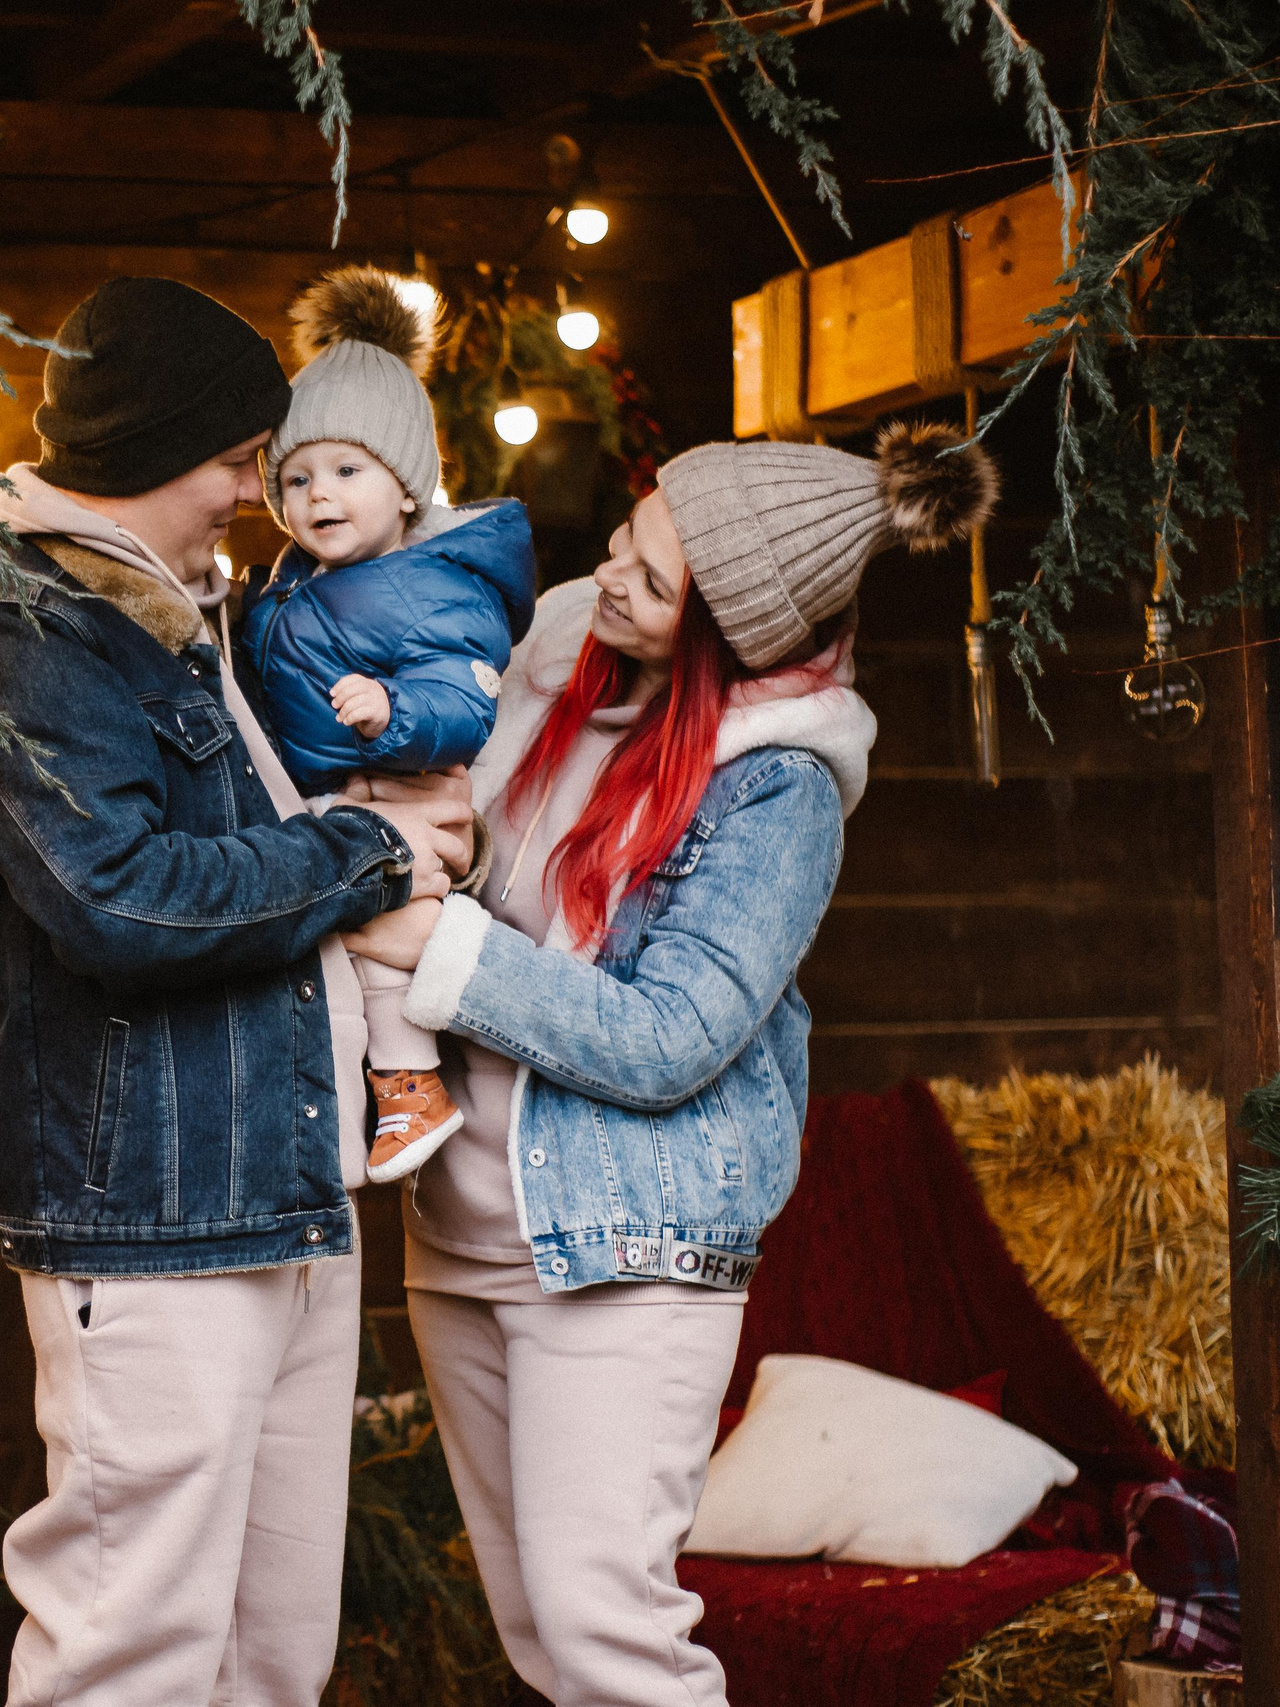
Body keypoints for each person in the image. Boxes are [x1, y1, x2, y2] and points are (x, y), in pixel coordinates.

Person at [343, 420, 998, 1707]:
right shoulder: (562, 647)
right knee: (539, 1635)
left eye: (651, 578)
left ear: (727, 638)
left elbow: (674, 1037)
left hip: (623, 1247)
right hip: (464, 1236)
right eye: (627, 536)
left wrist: (440, 943)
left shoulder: (778, 790)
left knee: (610, 1637)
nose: (611, 575)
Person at [0, 275, 476, 1707]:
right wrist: (371, 848)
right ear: (161, 449)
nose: (254, 487)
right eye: (238, 455)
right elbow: (122, 897)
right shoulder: (20, 625)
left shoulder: (181, 616)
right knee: (131, 1644)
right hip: (155, 1212)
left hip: (279, 1189)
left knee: (270, 1649)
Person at [241, 266, 535, 1184]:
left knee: (387, 934)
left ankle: (412, 1085)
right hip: (340, 791)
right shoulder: (299, 578)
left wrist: (394, 711)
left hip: (402, 788)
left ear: (407, 485)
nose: (317, 495)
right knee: (343, 944)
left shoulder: (435, 583)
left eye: (346, 470)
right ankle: (378, 1091)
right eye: (295, 477)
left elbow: (467, 697)